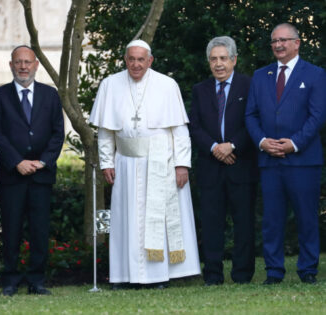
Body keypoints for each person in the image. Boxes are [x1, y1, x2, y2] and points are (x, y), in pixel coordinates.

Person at [89, 39, 201, 289]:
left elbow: (179, 130)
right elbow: (106, 132)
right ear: (125, 60)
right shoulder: (110, 84)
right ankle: (123, 275)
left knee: (158, 220)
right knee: (126, 220)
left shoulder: (167, 84)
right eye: (131, 59)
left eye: (141, 59)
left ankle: (159, 276)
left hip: (161, 161)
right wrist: (107, 162)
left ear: (150, 61)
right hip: (126, 163)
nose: (136, 64)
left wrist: (182, 164)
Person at [246, 23, 326, 284]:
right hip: (269, 160)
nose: (278, 45)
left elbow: (317, 116)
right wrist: (261, 142)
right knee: (272, 219)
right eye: (274, 41)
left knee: (306, 218)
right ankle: (273, 271)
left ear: (297, 43)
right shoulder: (260, 75)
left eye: (283, 40)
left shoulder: (315, 74)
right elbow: (251, 115)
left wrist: (294, 143)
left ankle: (308, 270)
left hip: (303, 160)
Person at [0, 45, 64, 296]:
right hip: (12, 175)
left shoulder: (51, 95)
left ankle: (37, 280)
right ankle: (10, 280)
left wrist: (43, 162)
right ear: (11, 65)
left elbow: (57, 133)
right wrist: (17, 161)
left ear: (36, 65)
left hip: (42, 175)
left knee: (39, 229)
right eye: (18, 62)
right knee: (11, 229)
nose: (23, 66)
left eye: (27, 62)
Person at [189, 36, 258, 286]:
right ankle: (213, 275)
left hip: (241, 165)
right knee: (211, 224)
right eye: (213, 59)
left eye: (223, 58)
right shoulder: (200, 90)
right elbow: (194, 126)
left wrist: (232, 145)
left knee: (244, 223)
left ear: (234, 59)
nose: (218, 64)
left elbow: (253, 121)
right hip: (210, 168)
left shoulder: (250, 86)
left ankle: (242, 275)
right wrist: (214, 147)